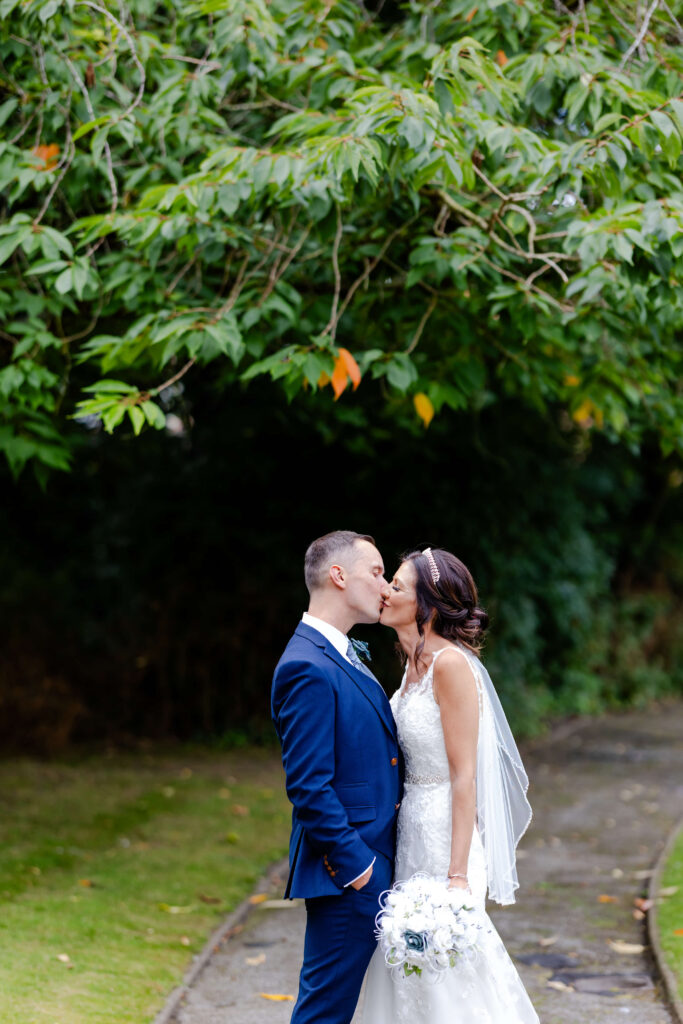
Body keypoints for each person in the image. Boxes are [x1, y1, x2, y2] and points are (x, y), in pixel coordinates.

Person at [362, 546, 539, 1024]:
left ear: (429, 606)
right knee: (410, 963)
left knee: (451, 970)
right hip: (412, 831)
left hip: (447, 837)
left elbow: (465, 777)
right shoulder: (413, 664)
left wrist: (457, 875)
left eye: (396, 585)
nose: (385, 591)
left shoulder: (451, 666)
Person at [271, 530, 403, 1024]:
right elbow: (308, 785)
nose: (385, 584)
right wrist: (357, 867)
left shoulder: (342, 652)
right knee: (324, 1014)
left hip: (374, 859)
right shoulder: (305, 665)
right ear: (338, 575)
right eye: (376, 571)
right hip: (349, 874)